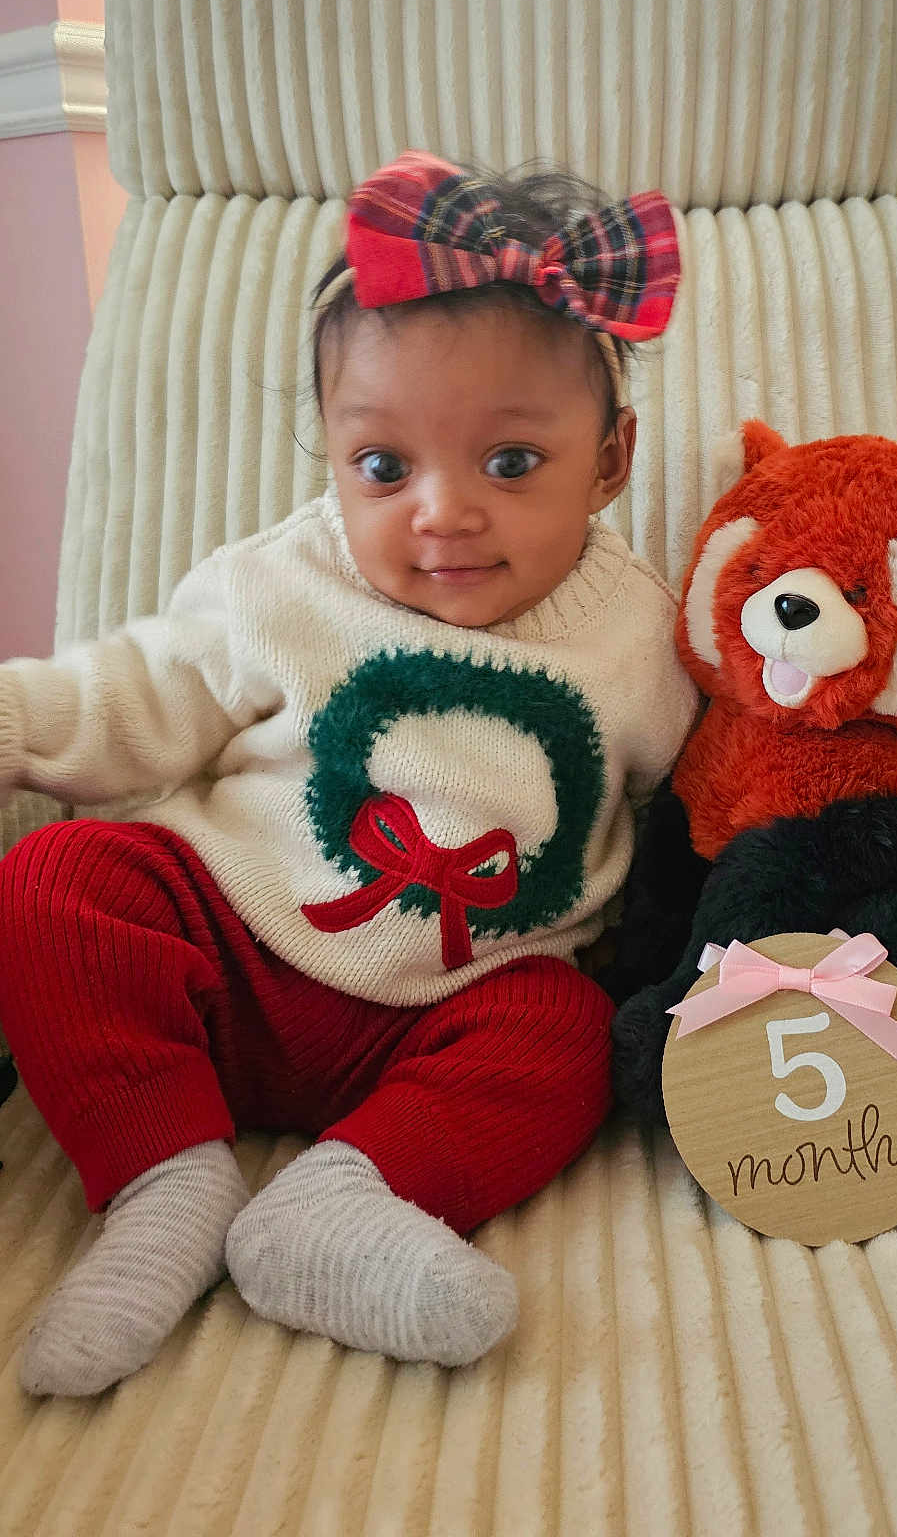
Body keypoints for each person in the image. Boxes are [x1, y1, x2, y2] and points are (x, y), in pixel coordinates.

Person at [0, 149, 699, 1397]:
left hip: (457, 1008)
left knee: (573, 1034)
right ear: (331, 452)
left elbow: (697, 811)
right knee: (60, 878)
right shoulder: (279, 583)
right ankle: (165, 1176)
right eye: (384, 466)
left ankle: (340, 1201)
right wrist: (17, 718)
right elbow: (141, 693)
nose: (442, 512)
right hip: (231, 953)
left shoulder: (644, 637)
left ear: (610, 460)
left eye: (510, 463)